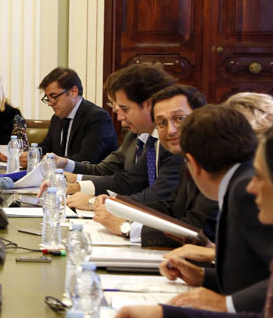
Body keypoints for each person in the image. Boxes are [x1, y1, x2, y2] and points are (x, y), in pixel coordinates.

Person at [116, 110, 273, 317]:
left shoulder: (243, 189)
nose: (253, 184)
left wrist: (225, 304)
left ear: (193, 164)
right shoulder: (238, 182)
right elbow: (252, 272)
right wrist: (203, 276)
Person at [90, 85, 217, 248]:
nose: (170, 130)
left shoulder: (214, 161)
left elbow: (198, 230)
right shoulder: (187, 157)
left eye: (180, 119)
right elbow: (171, 207)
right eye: (162, 123)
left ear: (200, 117)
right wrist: (118, 205)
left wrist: (127, 228)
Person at [63, 66, 181, 207]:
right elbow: (128, 181)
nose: (119, 117)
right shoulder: (150, 141)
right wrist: (77, 186)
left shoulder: (173, 142)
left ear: (148, 105)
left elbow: (157, 197)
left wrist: (94, 203)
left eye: (124, 109)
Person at [31, 67, 117, 165]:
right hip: (60, 173)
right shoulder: (57, 118)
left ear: (74, 91)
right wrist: (31, 154)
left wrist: (50, 162)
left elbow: (87, 159)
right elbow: (47, 147)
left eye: (54, 96)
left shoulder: (97, 117)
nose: (50, 103)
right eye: (48, 98)